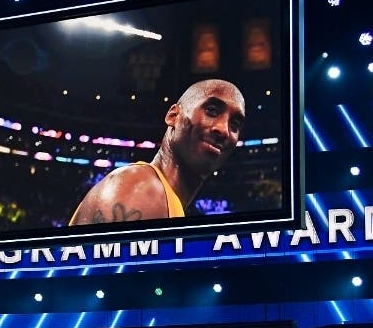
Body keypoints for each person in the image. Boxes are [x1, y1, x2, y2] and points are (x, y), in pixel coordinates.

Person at [68, 78, 246, 225]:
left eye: (235, 124)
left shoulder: (165, 199)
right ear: (173, 116)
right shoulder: (144, 189)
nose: (224, 130)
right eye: (212, 111)